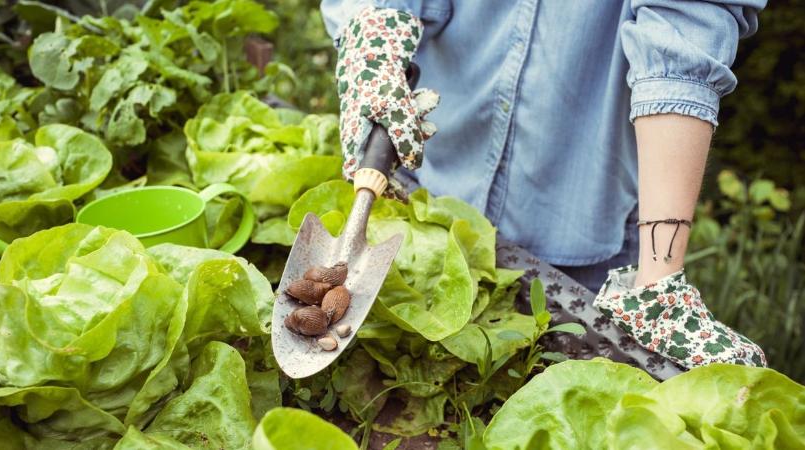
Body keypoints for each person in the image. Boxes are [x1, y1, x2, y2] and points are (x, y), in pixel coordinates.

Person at [320, 0, 767, 369]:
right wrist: (375, 29)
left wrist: (658, 281)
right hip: (428, 186)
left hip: (585, 229)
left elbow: (682, 35)